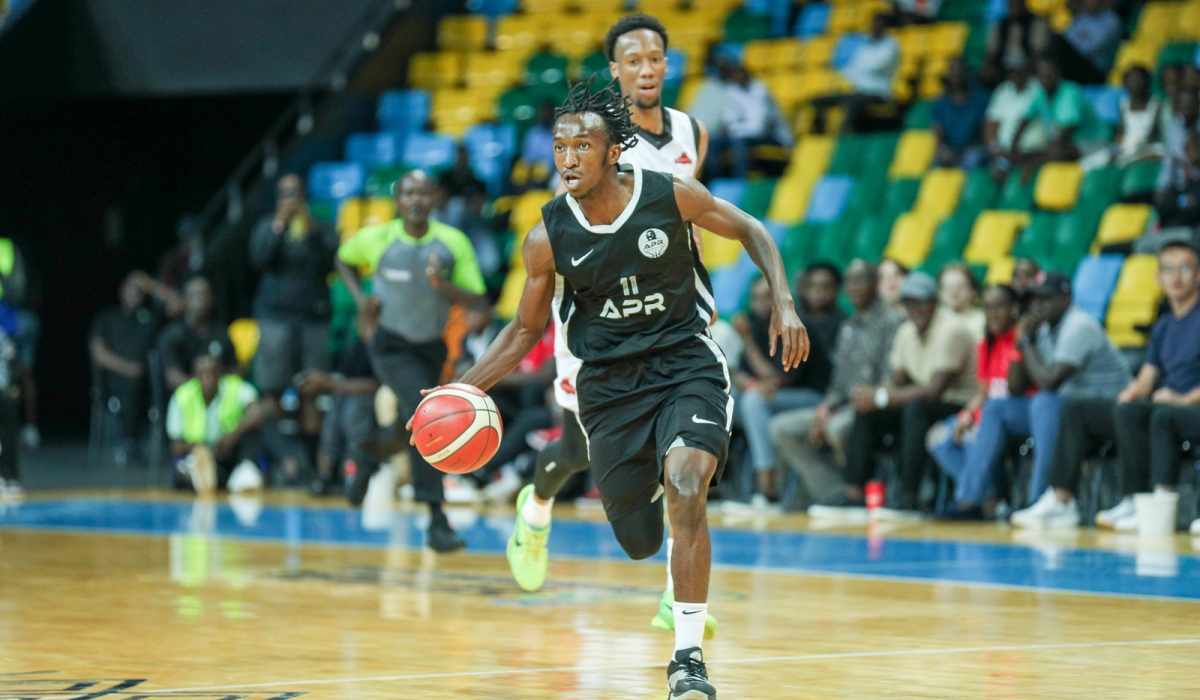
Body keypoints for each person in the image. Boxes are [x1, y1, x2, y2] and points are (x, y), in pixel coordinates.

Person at [433, 76, 807, 699]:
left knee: (687, 483)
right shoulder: (547, 235)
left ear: (614, 151)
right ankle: (554, 500)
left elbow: (753, 231)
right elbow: (524, 331)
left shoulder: (671, 196)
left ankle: (687, 661)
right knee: (641, 542)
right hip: (607, 385)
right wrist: (463, 391)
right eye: (559, 147)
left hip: (685, 361)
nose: (568, 158)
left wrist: (784, 304)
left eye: (582, 146)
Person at [505, 12, 719, 644]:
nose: (647, 69)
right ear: (616, 71)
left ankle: (674, 597)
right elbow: (575, 236)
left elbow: (695, 219)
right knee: (577, 451)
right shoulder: (592, 144)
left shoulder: (690, 131)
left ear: (666, 65)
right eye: (634, 60)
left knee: (684, 459)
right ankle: (536, 507)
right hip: (600, 323)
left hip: (670, 316)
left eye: (656, 58)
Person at [336, 170, 489, 553]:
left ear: (435, 198)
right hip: (389, 345)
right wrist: (362, 302)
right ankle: (436, 519)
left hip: (430, 348)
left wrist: (444, 286)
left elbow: (479, 302)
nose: (416, 199)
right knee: (427, 419)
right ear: (398, 200)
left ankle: (368, 455)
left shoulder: (452, 243)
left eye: (423, 192)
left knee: (413, 426)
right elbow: (342, 260)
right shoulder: (379, 239)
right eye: (408, 193)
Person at [1053, 242, 1200, 532]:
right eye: (1167, 269)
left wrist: (1184, 399)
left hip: (1187, 408)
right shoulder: (1163, 325)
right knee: (1081, 409)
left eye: (1184, 268)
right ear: (1157, 277)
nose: (1176, 276)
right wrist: (1130, 394)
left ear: (1198, 275)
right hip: (1165, 406)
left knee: (1161, 416)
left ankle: (1157, 506)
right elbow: (1147, 378)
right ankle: (1062, 501)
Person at [770, 260, 902, 507]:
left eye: (861, 280)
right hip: (841, 406)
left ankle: (859, 490)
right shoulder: (848, 326)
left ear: (875, 284)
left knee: (837, 429)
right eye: (851, 282)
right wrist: (824, 410)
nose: (855, 287)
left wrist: (844, 409)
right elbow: (838, 383)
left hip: (874, 408)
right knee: (781, 428)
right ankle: (835, 493)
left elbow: (891, 378)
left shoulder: (892, 322)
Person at [1006, 272, 1132, 528]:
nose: (1038, 305)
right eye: (1034, 299)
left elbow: (1050, 382)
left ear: (1066, 299)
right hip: (1073, 408)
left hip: (1112, 407)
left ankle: (1047, 497)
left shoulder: (1079, 325)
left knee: (1046, 402)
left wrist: (1028, 342)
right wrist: (1021, 345)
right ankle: (979, 499)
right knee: (998, 408)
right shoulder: (1041, 330)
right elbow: (1015, 388)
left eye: (1046, 298)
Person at [843, 272, 977, 509]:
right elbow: (898, 381)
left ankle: (909, 496)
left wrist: (881, 397)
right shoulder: (906, 331)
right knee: (867, 411)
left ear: (935, 303)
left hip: (958, 403)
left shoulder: (951, 330)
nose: (915, 309)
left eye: (921, 302)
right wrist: (871, 396)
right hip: (922, 403)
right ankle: (854, 492)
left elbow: (935, 391)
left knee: (916, 409)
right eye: (909, 303)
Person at [927, 284, 1024, 518]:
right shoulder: (987, 343)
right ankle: (990, 498)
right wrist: (966, 415)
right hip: (985, 414)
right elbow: (983, 390)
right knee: (938, 437)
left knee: (973, 438)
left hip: (1011, 416)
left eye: (998, 306)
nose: (992, 313)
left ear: (1014, 308)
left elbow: (1020, 388)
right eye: (987, 307)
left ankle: (967, 501)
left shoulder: (1021, 338)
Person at [733, 277, 832, 505]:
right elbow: (737, 373)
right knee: (725, 401)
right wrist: (752, 384)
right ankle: (711, 483)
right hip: (772, 398)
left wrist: (747, 341)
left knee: (752, 402)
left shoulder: (796, 326)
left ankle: (768, 481)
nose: (760, 303)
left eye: (767, 297)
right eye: (755, 298)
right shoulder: (758, 325)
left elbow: (779, 379)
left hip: (811, 397)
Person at [248, 173, 338, 405]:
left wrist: (309, 225)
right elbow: (258, 260)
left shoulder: (320, 227)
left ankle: (313, 437)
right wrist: (278, 225)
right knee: (273, 386)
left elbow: (331, 261)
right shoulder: (265, 226)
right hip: (275, 316)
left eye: (295, 193)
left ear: (304, 196)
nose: (291, 200)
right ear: (277, 198)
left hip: (313, 317)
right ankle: (278, 438)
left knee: (314, 387)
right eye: (285, 194)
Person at [89, 272, 183, 462]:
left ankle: (167, 442)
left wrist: (150, 284)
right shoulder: (108, 317)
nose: (135, 293)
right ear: (121, 292)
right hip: (115, 380)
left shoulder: (150, 317)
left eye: (139, 290)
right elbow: (98, 353)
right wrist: (127, 368)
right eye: (130, 288)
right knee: (131, 383)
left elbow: (179, 304)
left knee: (165, 381)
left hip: (148, 382)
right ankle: (127, 441)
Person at [166, 354, 265, 495]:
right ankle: (200, 476)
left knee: (252, 433)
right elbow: (176, 444)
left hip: (228, 452)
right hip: (195, 454)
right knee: (185, 468)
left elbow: (258, 412)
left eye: (213, 372)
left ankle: (242, 471)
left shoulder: (234, 387)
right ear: (194, 376)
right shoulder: (182, 396)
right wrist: (203, 449)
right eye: (203, 373)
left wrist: (233, 434)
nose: (209, 378)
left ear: (221, 374)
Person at [1009, 59, 1112, 178]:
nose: (1046, 79)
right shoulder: (1040, 95)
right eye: (1042, 76)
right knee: (1024, 155)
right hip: (1067, 145)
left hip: (1094, 142)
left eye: (1049, 74)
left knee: (1057, 154)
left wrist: (1034, 162)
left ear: (1057, 74)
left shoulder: (1069, 92)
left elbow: (1065, 133)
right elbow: (1024, 121)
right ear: (1037, 78)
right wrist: (1013, 150)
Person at [156, 277, 236, 393]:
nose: (199, 299)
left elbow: (234, 370)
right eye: (194, 295)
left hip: (219, 397)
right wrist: (203, 390)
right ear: (185, 300)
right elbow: (172, 377)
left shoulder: (221, 333)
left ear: (211, 299)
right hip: (185, 398)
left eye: (204, 294)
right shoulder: (171, 335)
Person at [824, 12, 900, 133]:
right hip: (859, 91)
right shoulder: (865, 46)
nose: (874, 27)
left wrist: (858, 69)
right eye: (873, 24)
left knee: (853, 102)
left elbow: (875, 67)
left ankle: (843, 135)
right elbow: (853, 68)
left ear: (885, 26)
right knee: (821, 100)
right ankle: (819, 135)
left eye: (878, 24)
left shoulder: (891, 45)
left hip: (879, 92)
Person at [711, 61, 790, 177]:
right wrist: (736, 128)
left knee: (738, 142)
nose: (737, 77)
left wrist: (736, 129)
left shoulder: (760, 91)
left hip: (772, 137)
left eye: (739, 74)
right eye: (734, 75)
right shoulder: (733, 92)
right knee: (713, 142)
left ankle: (739, 180)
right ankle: (716, 180)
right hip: (743, 135)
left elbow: (758, 128)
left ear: (746, 74)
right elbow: (729, 120)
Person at [983, 58, 1046, 178]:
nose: (1015, 75)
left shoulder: (1039, 88)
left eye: (1018, 71)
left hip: (1032, 151)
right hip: (1004, 152)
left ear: (1027, 70)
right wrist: (995, 150)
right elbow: (990, 123)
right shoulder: (1003, 90)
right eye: (1011, 72)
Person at [932, 58, 992, 169]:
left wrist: (966, 151)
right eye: (953, 70)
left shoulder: (981, 99)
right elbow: (939, 135)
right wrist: (946, 151)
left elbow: (986, 132)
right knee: (936, 166)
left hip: (974, 149)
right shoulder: (940, 103)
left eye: (960, 70)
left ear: (967, 73)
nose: (957, 74)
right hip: (951, 150)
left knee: (971, 160)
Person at [1050, 0, 1122, 86]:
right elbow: (1067, 35)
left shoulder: (1112, 20)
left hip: (1096, 70)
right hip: (1076, 63)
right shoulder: (1082, 16)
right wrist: (1083, 38)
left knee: (1059, 43)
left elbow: (1089, 48)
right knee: (1055, 40)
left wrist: (1078, 38)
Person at [980, 0, 1049, 88]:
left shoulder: (1037, 22)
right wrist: (988, 66)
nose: (1013, 6)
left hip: (1029, 67)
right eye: (1011, 3)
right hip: (1004, 69)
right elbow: (991, 52)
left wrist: (1023, 71)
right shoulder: (1000, 25)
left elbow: (1038, 53)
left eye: (1016, 2)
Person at [797, 262, 848, 352]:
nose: (818, 291)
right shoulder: (794, 319)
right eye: (812, 285)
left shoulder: (844, 324)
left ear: (836, 290)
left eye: (825, 286)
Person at [1156, 133, 1200, 229]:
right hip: (1176, 228)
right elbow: (1164, 207)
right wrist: (1182, 201)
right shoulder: (1177, 187)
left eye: (1191, 150)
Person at [939, 262, 985, 340]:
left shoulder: (983, 320)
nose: (954, 291)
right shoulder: (933, 321)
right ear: (940, 292)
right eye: (948, 287)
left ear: (973, 290)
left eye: (960, 286)